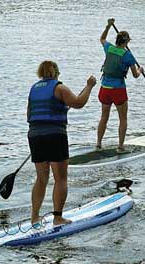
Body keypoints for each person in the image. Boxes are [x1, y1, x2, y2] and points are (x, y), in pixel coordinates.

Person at [27, 61, 96, 226]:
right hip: (55, 136)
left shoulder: (34, 89)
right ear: (56, 72)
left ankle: (35, 217)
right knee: (60, 178)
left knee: (41, 178)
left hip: (35, 135)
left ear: (40, 73)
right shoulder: (59, 88)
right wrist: (89, 86)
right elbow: (79, 103)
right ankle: (57, 218)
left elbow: (29, 114)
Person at [96, 18, 143, 152]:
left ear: (117, 40)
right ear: (126, 42)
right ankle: (121, 146)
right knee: (123, 118)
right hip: (118, 90)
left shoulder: (109, 48)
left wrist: (108, 26)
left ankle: (98, 144)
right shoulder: (128, 55)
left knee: (104, 117)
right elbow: (135, 75)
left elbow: (102, 38)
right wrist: (141, 70)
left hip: (104, 89)